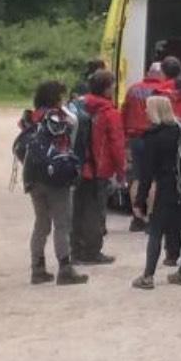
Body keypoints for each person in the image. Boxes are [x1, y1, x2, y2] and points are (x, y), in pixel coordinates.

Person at [131, 96, 181, 289]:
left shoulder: (153, 136)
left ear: (155, 111)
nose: (145, 112)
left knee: (157, 231)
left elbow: (147, 173)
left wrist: (140, 200)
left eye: (147, 108)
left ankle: (148, 276)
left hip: (168, 187)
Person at [17, 81, 88, 285]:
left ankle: (37, 268)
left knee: (41, 222)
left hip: (33, 174)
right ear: (56, 98)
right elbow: (74, 124)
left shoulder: (30, 118)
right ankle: (65, 268)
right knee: (62, 222)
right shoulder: (59, 117)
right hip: (55, 174)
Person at [71, 69, 126, 264]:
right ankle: (92, 252)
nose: (114, 88)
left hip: (76, 166)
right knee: (95, 211)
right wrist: (121, 171)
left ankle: (75, 250)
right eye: (112, 85)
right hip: (99, 169)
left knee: (77, 209)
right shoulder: (109, 113)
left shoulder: (78, 105)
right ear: (106, 89)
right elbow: (117, 144)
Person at [123, 62, 168, 233]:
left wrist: (125, 140)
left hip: (135, 138)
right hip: (155, 137)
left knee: (136, 176)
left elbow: (124, 114)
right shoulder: (164, 90)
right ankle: (151, 216)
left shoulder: (133, 89)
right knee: (154, 178)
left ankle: (136, 217)